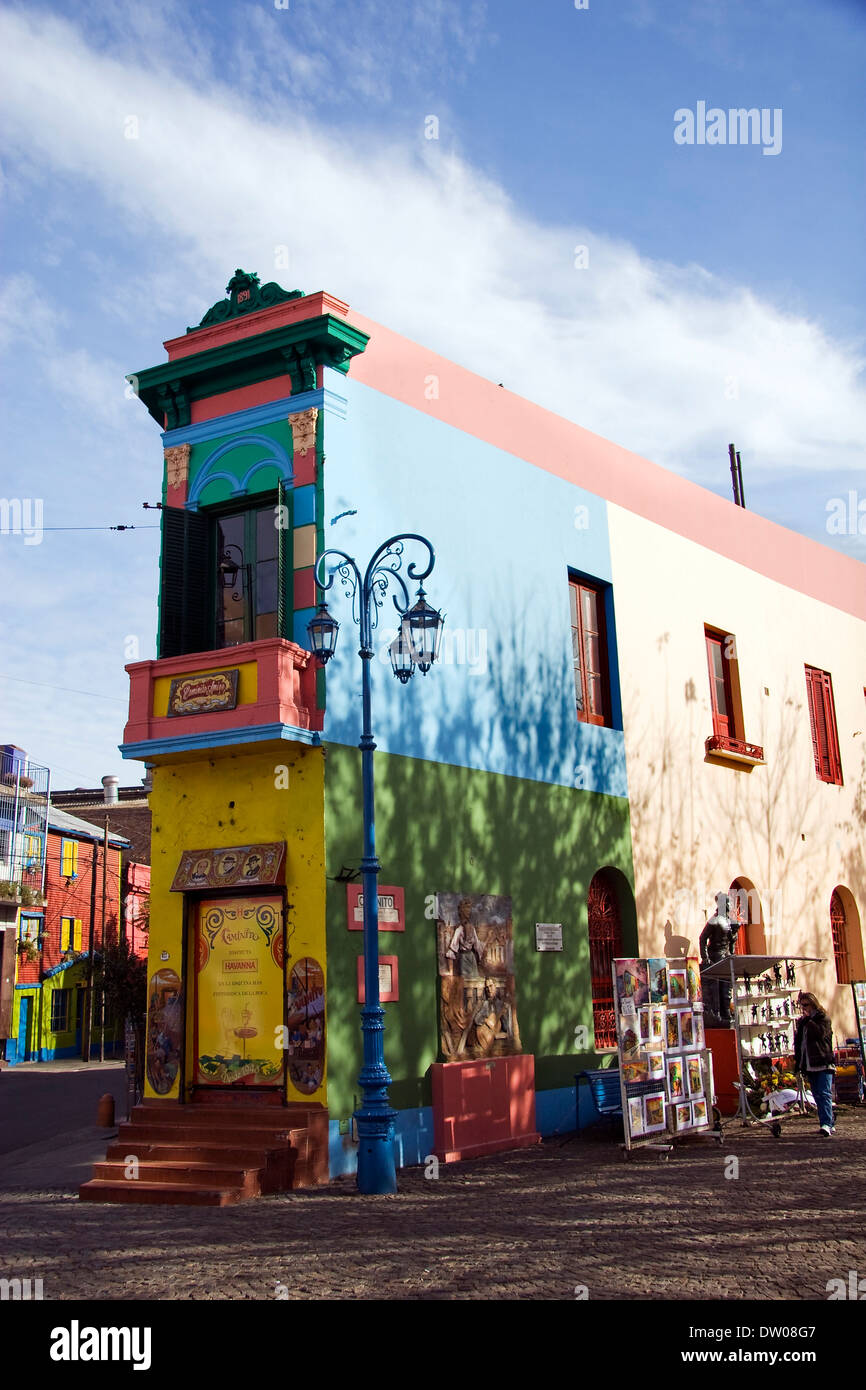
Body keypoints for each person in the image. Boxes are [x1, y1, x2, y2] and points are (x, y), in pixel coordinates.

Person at [793, 992, 836, 1136]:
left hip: (823, 1061)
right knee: (817, 1095)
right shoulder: (803, 1022)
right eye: (801, 1005)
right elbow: (800, 1044)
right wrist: (798, 1063)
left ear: (813, 1004)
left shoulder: (822, 1018)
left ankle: (826, 1124)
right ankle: (829, 1120)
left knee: (824, 1094)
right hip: (809, 1064)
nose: (804, 1008)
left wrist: (809, 1021)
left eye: (806, 1005)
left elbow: (820, 1034)